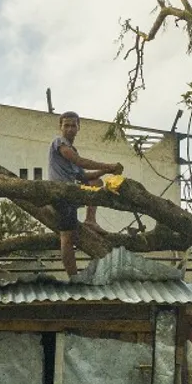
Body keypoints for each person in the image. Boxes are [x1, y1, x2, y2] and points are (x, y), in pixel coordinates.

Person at [47, 111, 123, 277]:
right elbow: (78, 161)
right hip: (61, 194)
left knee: (96, 183)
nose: (70, 128)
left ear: (78, 127)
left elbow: (83, 176)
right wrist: (109, 166)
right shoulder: (59, 143)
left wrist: (104, 171)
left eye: (73, 125)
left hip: (72, 193)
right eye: (66, 125)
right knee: (67, 238)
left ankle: (90, 220)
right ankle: (74, 278)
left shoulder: (73, 149)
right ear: (60, 127)